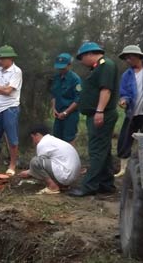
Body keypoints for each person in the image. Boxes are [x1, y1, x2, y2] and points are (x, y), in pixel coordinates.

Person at [69, 42, 119, 197]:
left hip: (101, 114)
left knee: (96, 151)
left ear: (90, 54)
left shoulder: (106, 65)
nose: (82, 61)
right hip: (98, 114)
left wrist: (99, 111)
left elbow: (106, 90)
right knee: (103, 150)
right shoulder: (98, 67)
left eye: (82, 58)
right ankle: (106, 184)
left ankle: (89, 186)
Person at [0, 45, 22, 176]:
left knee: (12, 138)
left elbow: (8, 92)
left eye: (2, 58)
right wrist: (0, 87)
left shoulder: (16, 71)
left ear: (10, 58)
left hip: (10, 107)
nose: (0, 61)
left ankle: (12, 164)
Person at [19, 124, 81, 194]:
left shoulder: (43, 143)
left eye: (32, 137)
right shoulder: (52, 140)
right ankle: (62, 185)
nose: (32, 141)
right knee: (38, 162)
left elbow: (38, 164)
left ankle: (53, 187)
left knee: (35, 161)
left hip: (66, 174)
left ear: (37, 135)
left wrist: (29, 172)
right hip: (71, 174)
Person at [115, 45, 143, 178]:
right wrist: (123, 100)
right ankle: (123, 168)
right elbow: (124, 92)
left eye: (130, 57)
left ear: (137, 56)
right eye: (126, 58)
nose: (127, 60)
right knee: (125, 138)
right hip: (132, 112)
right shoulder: (127, 75)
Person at [50, 53, 82, 145]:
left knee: (69, 139)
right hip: (58, 113)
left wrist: (66, 112)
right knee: (57, 138)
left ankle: (70, 158)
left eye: (63, 68)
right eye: (59, 68)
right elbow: (53, 94)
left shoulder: (75, 79)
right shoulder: (56, 78)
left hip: (70, 114)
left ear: (69, 65)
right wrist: (54, 108)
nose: (61, 70)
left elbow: (78, 99)